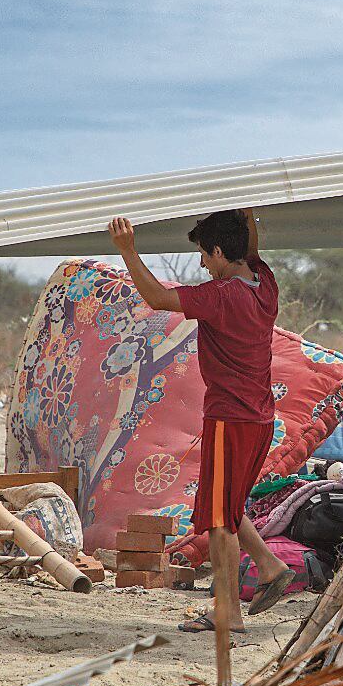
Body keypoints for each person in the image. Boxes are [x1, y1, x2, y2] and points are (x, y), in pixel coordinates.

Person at [107, 208, 295, 631]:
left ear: (217, 252)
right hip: (260, 418)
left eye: (205, 257)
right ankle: (270, 568)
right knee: (223, 507)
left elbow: (157, 299)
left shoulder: (223, 295)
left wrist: (127, 249)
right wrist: (247, 216)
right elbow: (250, 249)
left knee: (215, 518)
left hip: (231, 418)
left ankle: (228, 614)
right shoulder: (263, 284)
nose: (203, 266)